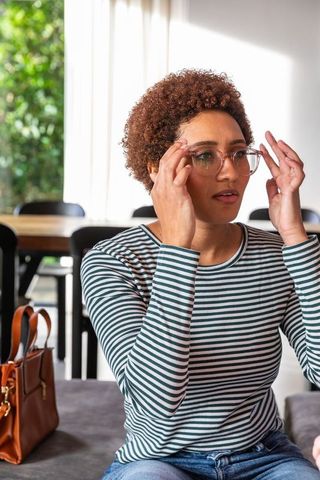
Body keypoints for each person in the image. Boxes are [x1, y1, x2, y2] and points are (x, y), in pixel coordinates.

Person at [81, 69, 320, 480]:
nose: (230, 172)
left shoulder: (276, 254)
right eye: (205, 155)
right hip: (157, 460)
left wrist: (296, 237)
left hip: (264, 455)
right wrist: (177, 250)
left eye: (240, 153)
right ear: (158, 169)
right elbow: (157, 399)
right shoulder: (112, 262)